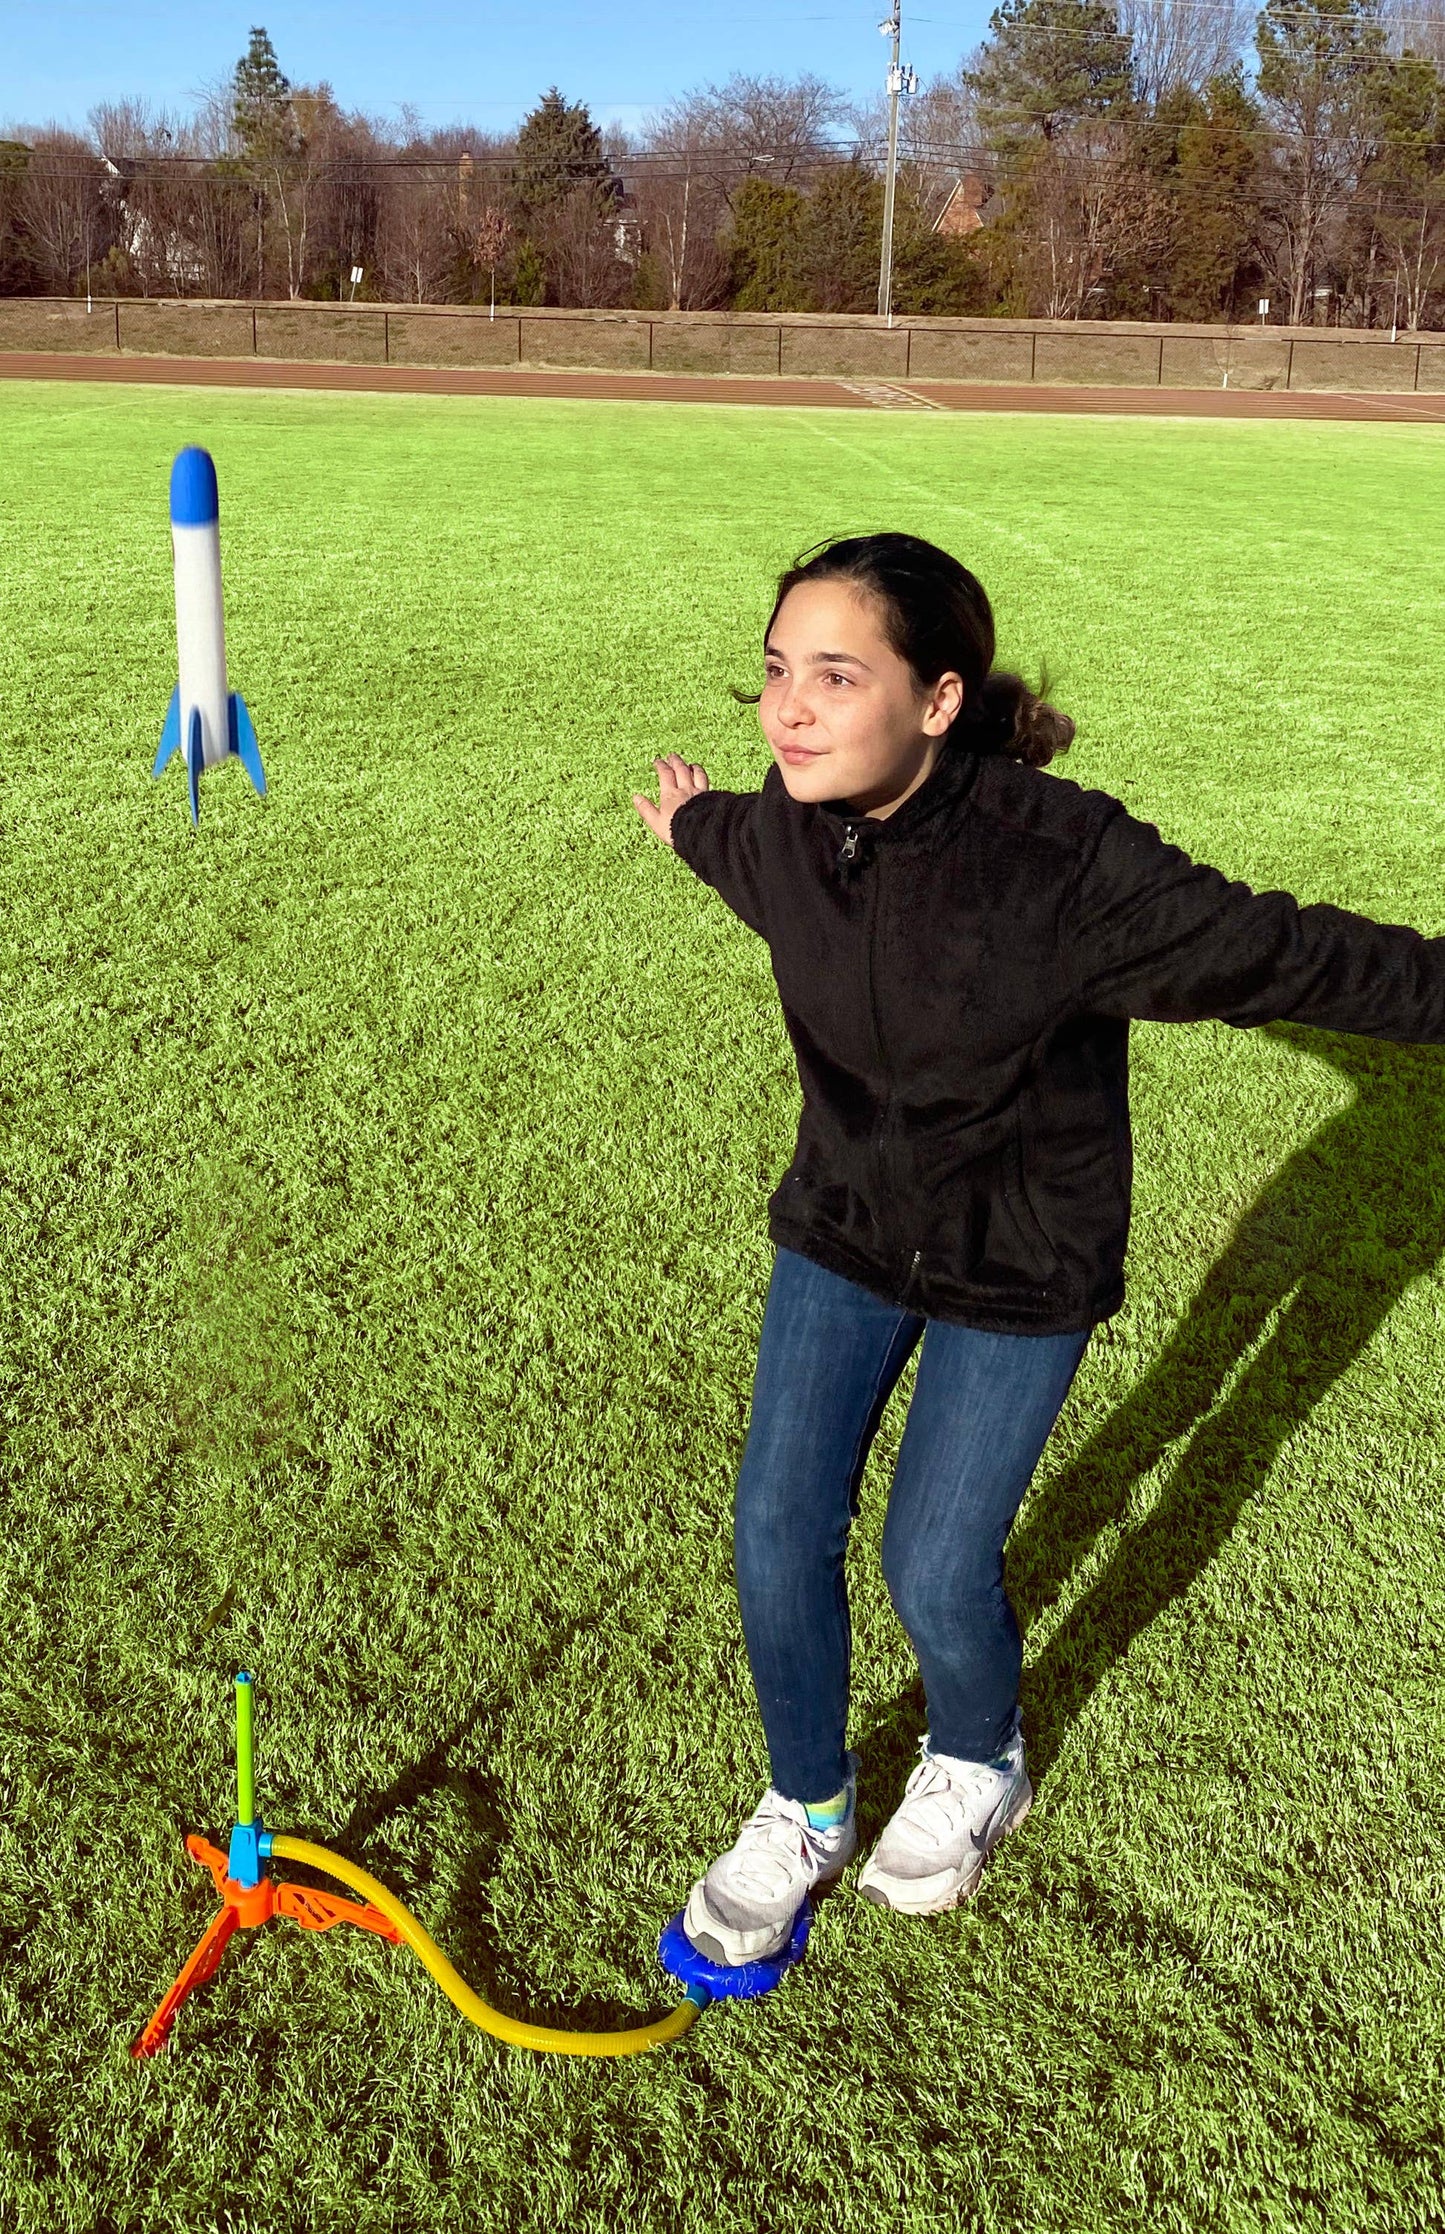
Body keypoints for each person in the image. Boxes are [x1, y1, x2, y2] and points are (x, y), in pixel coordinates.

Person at [630, 532, 1445, 1968]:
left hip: (1018, 1257)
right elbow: (753, 865)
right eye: (773, 672)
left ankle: (975, 1757)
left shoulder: (1061, 864)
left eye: (835, 674)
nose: (788, 710)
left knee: (934, 1562)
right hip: (846, 1228)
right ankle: (806, 1805)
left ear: (937, 701)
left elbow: (1292, 954)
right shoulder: (786, 820)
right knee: (773, 1527)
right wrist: (689, 825)